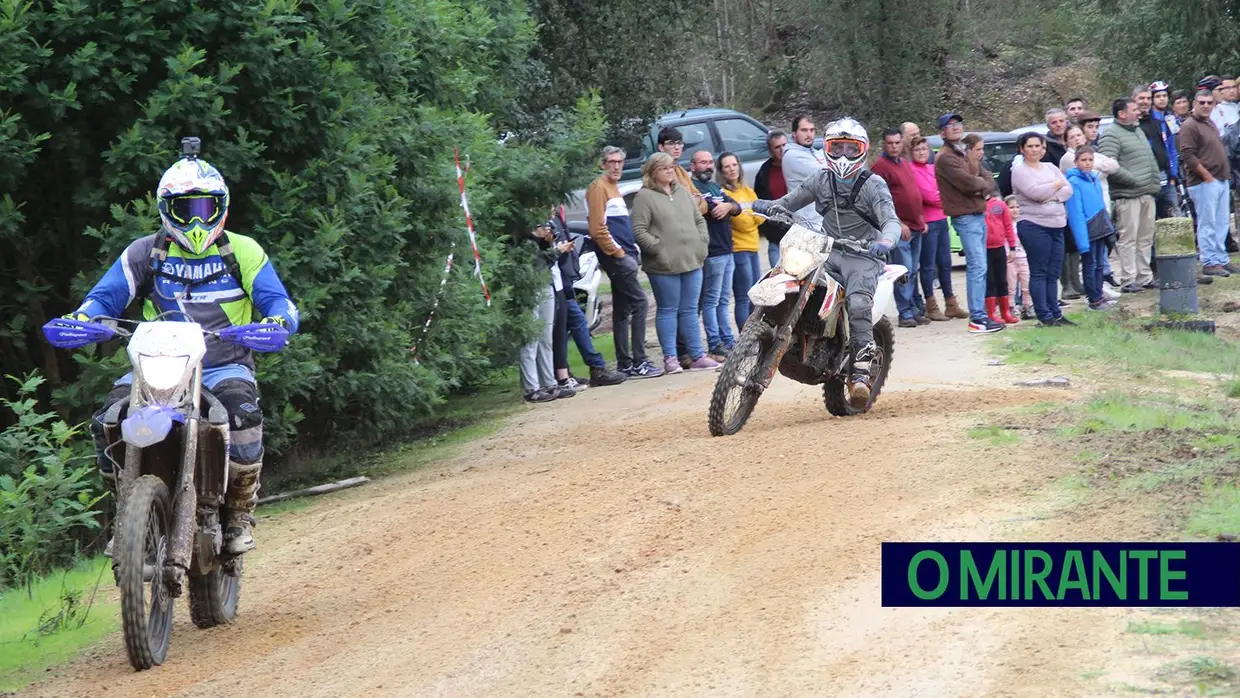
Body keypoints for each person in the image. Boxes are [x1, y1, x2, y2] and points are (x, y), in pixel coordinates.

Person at [73, 152, 300, 557]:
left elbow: (279, 302)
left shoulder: (243, 252)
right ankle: (126, 511)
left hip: (223, 364)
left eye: (205, 208)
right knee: (107, 419)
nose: (196, 220)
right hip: (156, 367)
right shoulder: (145, 252)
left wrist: (277, 323)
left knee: (243, 414)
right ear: (167, 210)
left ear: (221, 206)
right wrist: (84, 317)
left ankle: (239, 512)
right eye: (186, 209)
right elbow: (106, 295)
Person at [750, 117, 901, 405]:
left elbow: (890, 220)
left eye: (850, 148)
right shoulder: (820, 179)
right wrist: (755, 207)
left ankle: (860, 373)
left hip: (863, 255)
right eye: (838, 147)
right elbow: (788, 202)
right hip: (827, 250)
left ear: (863, 150)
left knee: (858, 304)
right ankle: (771, 333)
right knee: (788, 275)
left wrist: (886, 240)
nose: (843, 155)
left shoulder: (874, 185)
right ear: (827, 149)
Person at [631, 152, 719, 374]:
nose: (670, 170)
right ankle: (670, 358)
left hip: (692, 259)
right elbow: (639, 231)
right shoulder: (644, 197)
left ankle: (697, 355)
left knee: (690, 309)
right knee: (668, 310)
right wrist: (658, 249)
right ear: (652, 173)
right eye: (664, 168)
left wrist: (702, 242)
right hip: (663, 266)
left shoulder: (683, 192)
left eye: (671, 166)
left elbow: (699, 219)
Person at [584, 146, 663, 378]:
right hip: (617, 258)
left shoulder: (612, 187)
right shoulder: (598, 187)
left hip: (623, 255)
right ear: (602, 164)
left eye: (620, 161)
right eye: (611, 162)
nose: (616, 166)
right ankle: (638, 361)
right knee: (640, 303)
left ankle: (625, 363)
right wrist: (619, 254)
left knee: (622, 309)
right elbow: (597, 229)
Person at [544, 206, 628, 389]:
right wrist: (560, 250)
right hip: (555, 284)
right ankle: (570, 372)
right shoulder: (545, 221)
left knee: (576, 323)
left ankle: (574, 370)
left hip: (563, 282)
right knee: (566, 328)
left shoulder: (556, 216)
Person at [935, 117, 1004, 334]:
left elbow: (989, 179)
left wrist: (981, 186)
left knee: (980, 266)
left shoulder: (963, 152)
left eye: (958, 125)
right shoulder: (946, 158)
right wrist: (982, 186)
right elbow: (968, 183)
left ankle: (981, 315)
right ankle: (978, 318)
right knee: (977, 266)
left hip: (977, 213)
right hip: (965, 216)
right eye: (949, 126)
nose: (955, 128)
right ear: (942, 133)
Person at [1011, 132, 1075, 326]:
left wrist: (1052, 194)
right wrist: (1055, 184)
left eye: (1037, 146)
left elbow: (1068, 189)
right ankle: (1044, 315)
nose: (1034, 150)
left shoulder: (1050, 167)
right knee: (1039, 271)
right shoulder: (1020, 170)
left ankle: (1056, 312)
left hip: (1057, 224)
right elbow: (1035, 193)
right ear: (1022, 149)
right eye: (1029, 146)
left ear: (1043, 148)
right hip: (1034, 225)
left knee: (1053, 271)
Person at [871, 127, 929, 328]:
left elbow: (912, 192)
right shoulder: (880, 167)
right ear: (884, 144)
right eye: (890, 143)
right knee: (903, 271)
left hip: (916, 225)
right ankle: (904, 312)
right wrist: (898, 223)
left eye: (897, 142)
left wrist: (920, 218)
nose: (894, 147)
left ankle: (914, 309)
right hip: (899, 228)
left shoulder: (904, 163)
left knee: (913, 270)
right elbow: (879, 201)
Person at [689, 150, 742, 359]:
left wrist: (728, 205)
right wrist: (721, 206)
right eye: (703, 162)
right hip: (712, 251)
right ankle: (715, 342)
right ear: (693, 166)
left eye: (710, 162)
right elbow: (709, 209)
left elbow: (735, 207)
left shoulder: (714, 186)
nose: (708, 166)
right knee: (711, 300)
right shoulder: (694, 188)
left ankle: (728, 340)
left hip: (728, 249)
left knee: (723, 299)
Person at [909, 135, 967, 321]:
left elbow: (945, 190)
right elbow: (928, 195)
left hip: (941, 219)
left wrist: (942, 196)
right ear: (911, 153)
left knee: (945, 262)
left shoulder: (932, 168)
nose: (921, 153)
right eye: (917, 150)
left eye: (924, 149)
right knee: (927, 265)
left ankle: (951, 303)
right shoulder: (912, 170)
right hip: (927, 222)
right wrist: (942, 197)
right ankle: (931, 304)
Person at [1179, 89, 1235, 276]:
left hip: (1221, 179)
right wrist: (1206, 176)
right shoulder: (1189, 125)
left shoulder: (1210, 122)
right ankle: (1209, 261)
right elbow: (1188, 155)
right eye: (1201, 102)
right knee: (1207, 223)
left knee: (1222, 222)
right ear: (1194, 103)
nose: (1205, 106)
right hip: (1204, 181)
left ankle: (1221, 259)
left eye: (1209, 103)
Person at [522, 221, 577, 403]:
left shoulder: (544, 231)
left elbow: (547, 259)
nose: (546, 229)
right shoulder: (522, 236)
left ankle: (549, 383)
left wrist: (552, 245)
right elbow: (534, 261)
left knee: (546, 337)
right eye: (542, 227)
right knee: (530, 340)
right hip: (528, 286)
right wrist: (552, 248)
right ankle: (531, 388)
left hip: (546, 283)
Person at [1064, 146, 1116, 310]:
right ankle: (1093, 299)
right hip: (1087, 229)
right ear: (1076, 162)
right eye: (1083, 160)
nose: (1087, 163)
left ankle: (1099, 294)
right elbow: (1076, 213)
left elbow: (1101, 205)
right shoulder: (1073, 182)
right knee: (1090, 264)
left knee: (1099, 264)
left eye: (1090, 160)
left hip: (1100, 227)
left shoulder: (1094, 178)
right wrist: (1082, 240)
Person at [719, 152, 762, 331]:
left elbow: (761, 217)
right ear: (721, 170)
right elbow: (741, 223)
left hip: (753, 246)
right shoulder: (724, 193)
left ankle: (754, 334)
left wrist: (748, 216)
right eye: (727, 166)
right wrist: (749, 216)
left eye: (734, 165)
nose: (731, 169)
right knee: (743, 296)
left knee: (756, 295)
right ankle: (744, 336)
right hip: (739, 249)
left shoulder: (746, 190)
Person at [783, 115, 827, 227]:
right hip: (806, 223)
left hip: (822, 220)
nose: (809, 134)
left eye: (812, 130)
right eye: (804, 130)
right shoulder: (792, 155)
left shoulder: (816, 153)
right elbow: (827, 173)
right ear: (794, 134)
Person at [754, 131, 789, 268]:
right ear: (770, 150)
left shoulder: (800, 165)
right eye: (777, 147)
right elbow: (760, 204)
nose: (782, 149)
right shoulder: (764, 173)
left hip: (802, 233)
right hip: (776, 237)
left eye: (784, 145)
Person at [983, 193, 1020, 324]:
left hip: (999, 247)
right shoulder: (977, 206)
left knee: (1002, 280)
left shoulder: (999, 205)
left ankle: (1005, 312)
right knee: (990, 280)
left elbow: (1008, 225)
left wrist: (1012, 247)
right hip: (985, 248)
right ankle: (991, 312)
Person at [1004, 195, 1034, 319]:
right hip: (1010, 259)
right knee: (1011, 285)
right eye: (1011, 207)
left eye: (1018, 207)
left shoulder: (1025, 224)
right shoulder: (1006, 225)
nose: (1015, 210)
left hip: (1024, 257)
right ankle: (1010, 307)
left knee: (1026, 284)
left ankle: (1028, 306)